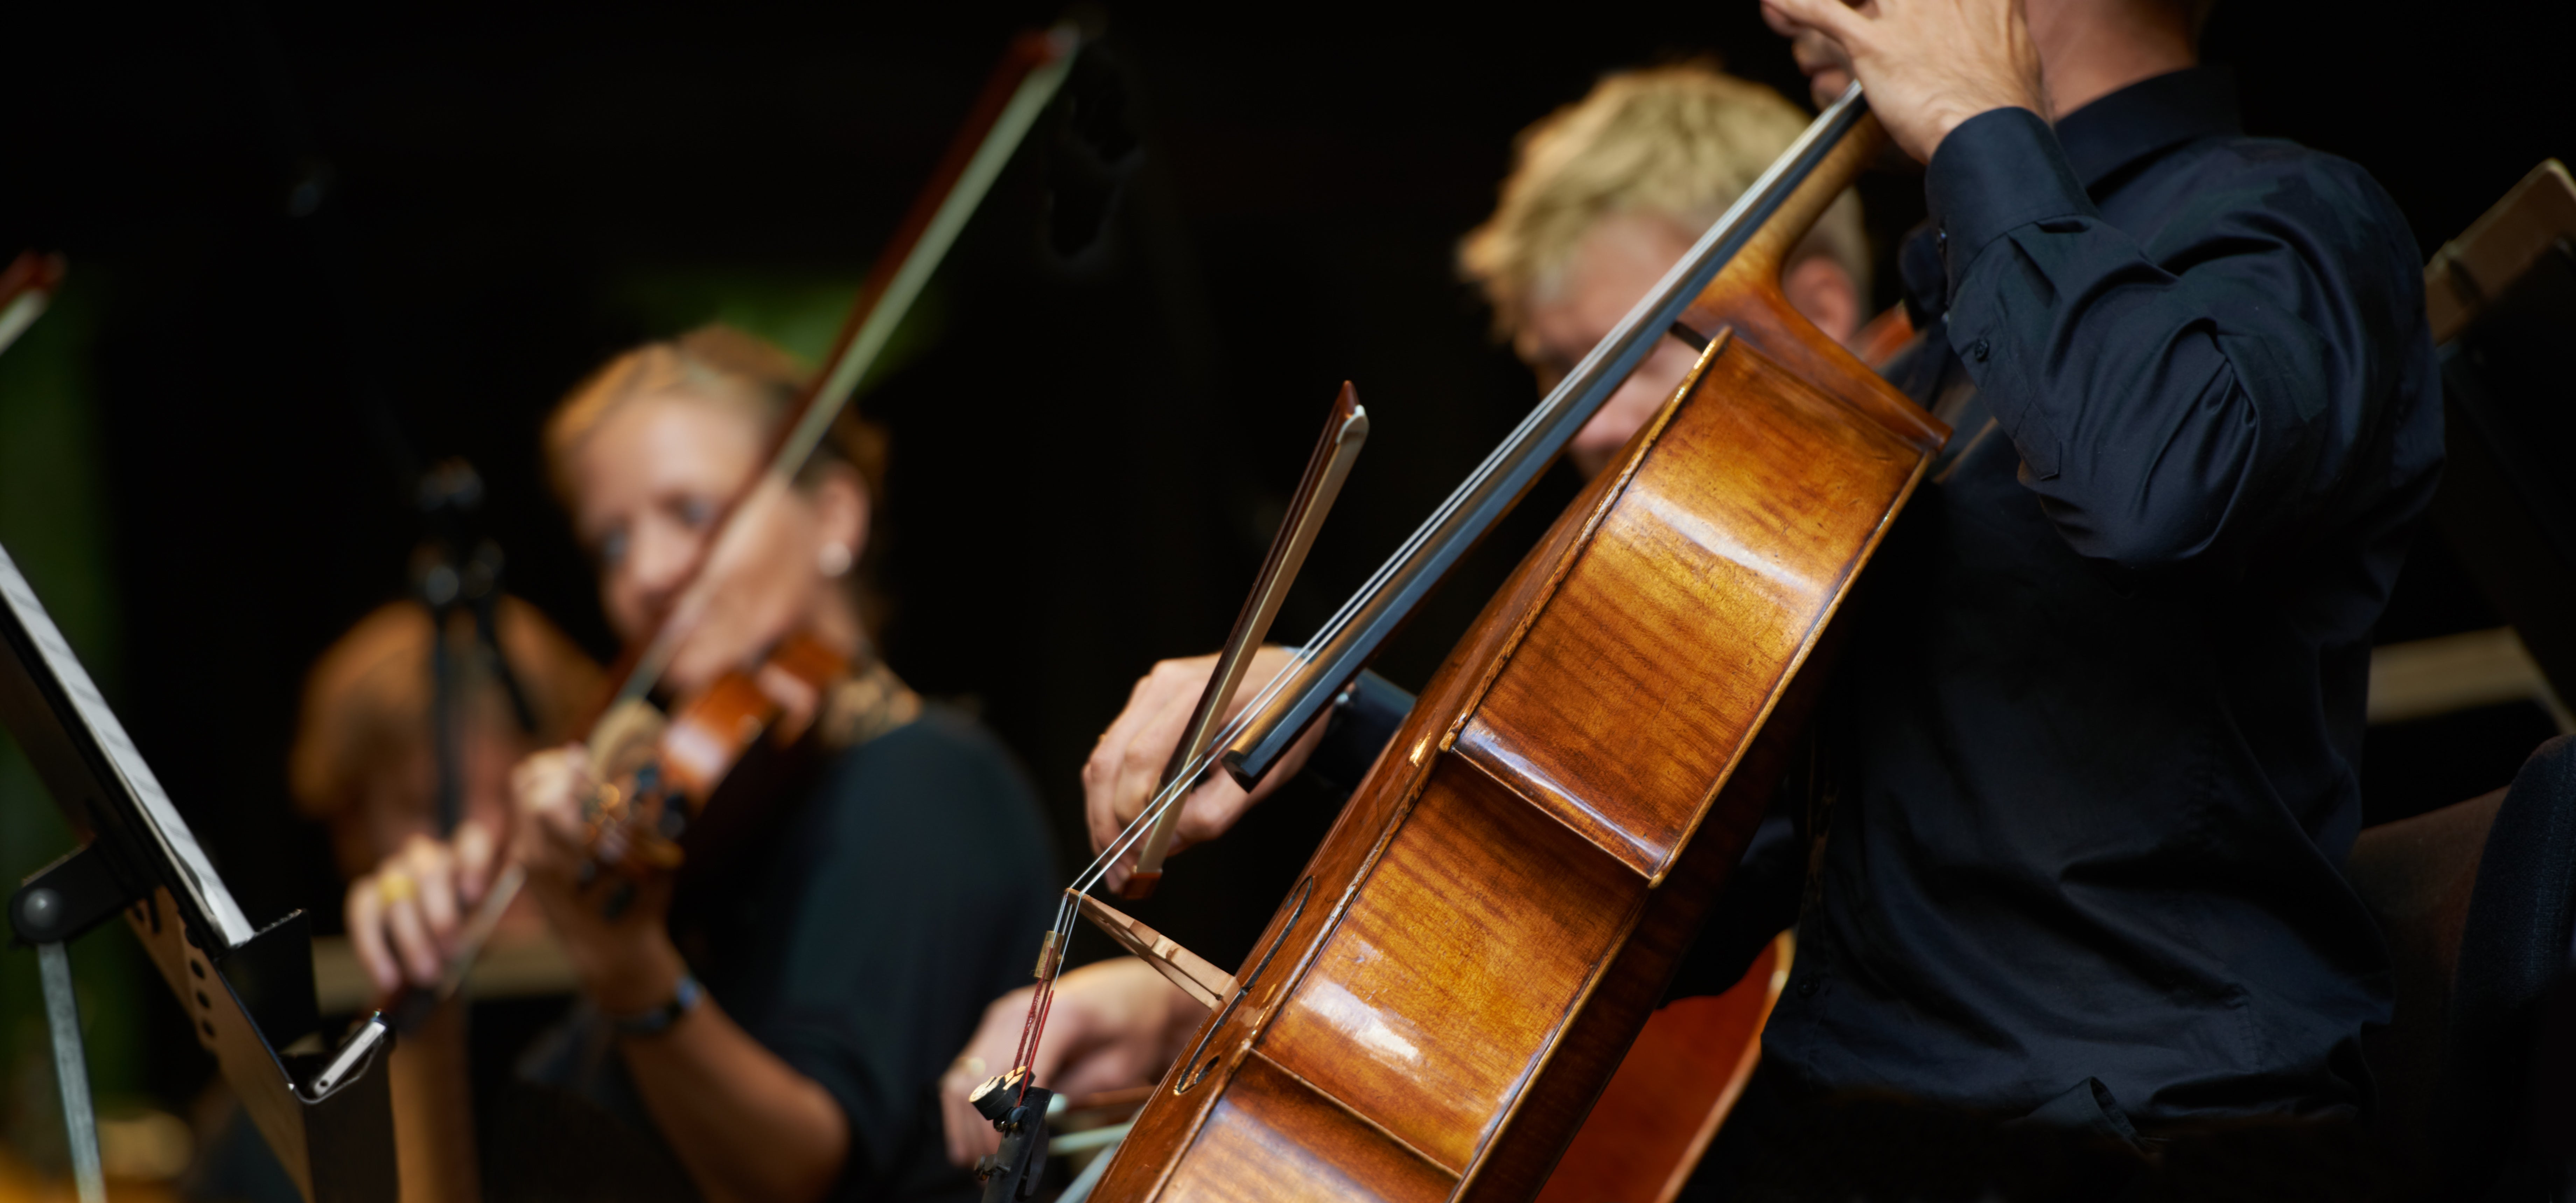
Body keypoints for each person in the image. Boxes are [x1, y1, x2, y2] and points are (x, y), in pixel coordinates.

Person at [1064, 0, 2441, 1168]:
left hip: (2135, 1142)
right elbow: (1720, 865)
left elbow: (2156, 486)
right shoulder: (1928, 352)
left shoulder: (2288, 219)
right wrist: (1330, 706)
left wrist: (1976, 121)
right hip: (1850, 1132)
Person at [939, 62, 1882, 1164]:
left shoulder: (1924, 547)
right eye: (1557, 366)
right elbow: (1528, 959)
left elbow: (1682, 897)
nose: (1590, 421)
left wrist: (1327, 702)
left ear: (1816, 307)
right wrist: (1208, 1016)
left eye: (1636, 351)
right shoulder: (1653, 600)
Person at [345, 326, 1057, 1203]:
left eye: (691, 513)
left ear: (833, 515)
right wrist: (426, 979)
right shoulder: (717, 835)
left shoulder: (926, 783)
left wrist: (632, 972)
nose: (644, 574)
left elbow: (800, 1171)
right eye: (610, 544)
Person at [290, 594, 602, 1203]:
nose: (480, 846)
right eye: (430, 808)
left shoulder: (628, 1033)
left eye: (514, 792)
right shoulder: (292, 1096)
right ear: (354, 825)